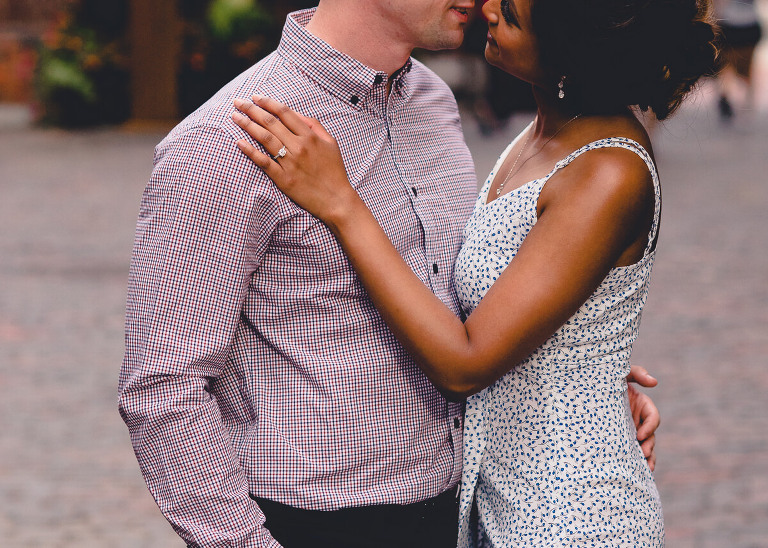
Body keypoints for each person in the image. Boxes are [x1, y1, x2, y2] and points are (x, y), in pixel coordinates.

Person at [119, 2, 662, 547]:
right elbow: (161, 389)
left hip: (458, 512)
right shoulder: (224, 142)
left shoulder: (433, 104)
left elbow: (460, 296)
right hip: (315, 522)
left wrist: (579, 366)